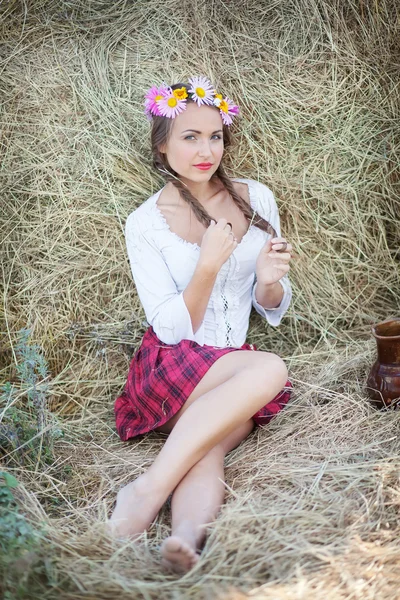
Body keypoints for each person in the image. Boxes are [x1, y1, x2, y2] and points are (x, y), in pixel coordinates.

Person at [108, 76, 294, 574]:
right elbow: (170, 329)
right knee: (268, 368)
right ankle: (146, 491)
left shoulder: (256, 198)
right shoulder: (145, 223)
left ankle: (185, 540)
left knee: (209, 445)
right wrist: (207, 266)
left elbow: (272, 305)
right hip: (172, 367)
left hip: (229, 373)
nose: (205, 149)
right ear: (162, 144)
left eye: (214, 136)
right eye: (189, 136)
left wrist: (269, 281)